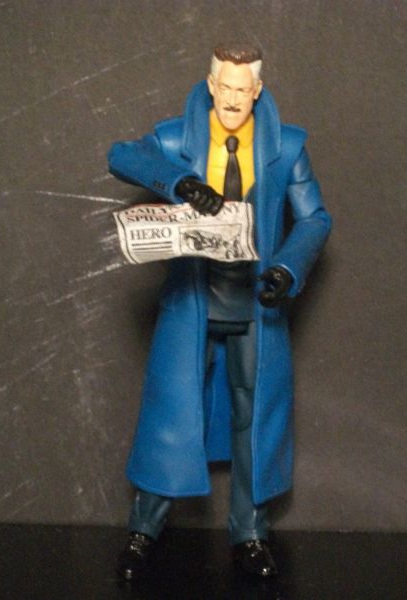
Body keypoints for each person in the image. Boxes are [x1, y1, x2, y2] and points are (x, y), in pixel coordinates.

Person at [108, 43, 332, 578]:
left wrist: (286, 269)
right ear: (211, 86)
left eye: (242, 90)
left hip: (257, 305)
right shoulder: (177, 138)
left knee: (257, 424)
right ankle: (143, 528)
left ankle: (250, 533)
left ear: (258, 91)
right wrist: (178, 182)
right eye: (224, 87)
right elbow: (123, 155)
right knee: (171, 418)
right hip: (192, 302)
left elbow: (314, 219)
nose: (232, 99)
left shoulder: (287, 147)